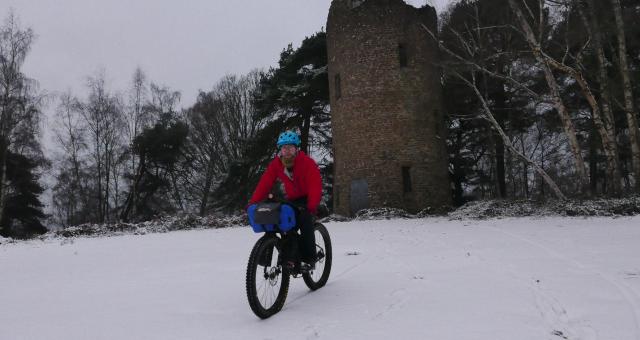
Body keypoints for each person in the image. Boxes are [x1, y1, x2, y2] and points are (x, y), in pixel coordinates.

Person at [248, 130, 322, 270]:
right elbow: (265, 183)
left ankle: (310, 258)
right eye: (283, 147)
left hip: (307, 198)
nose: (287, 151)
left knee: (305, 220)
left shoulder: (306, 162)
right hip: (293, 199)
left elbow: (315, 184)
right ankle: (285, 254)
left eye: (290, 147)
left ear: (296, 148)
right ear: (280, 149)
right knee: (280, 219)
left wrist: (311, 206)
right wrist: (253, 203)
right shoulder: (277, 164)